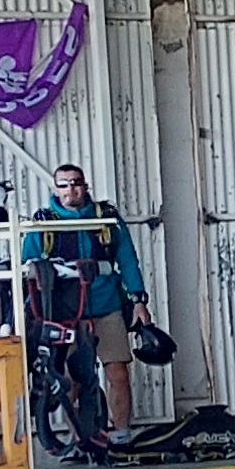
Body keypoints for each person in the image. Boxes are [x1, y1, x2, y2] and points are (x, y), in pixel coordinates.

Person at [30, 162, 143, 429]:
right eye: (64, 184)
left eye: (76, 182)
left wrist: (139, 301)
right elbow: (29, 268)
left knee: (118, 373)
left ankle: (121, 434)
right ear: (55, 189)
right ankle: (79, 439)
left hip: (106, 306)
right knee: (71, 380)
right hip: (65, 313)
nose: (71, 189)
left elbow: (128, 261)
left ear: (85, 186)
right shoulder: (43, 223)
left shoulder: (107, 218)